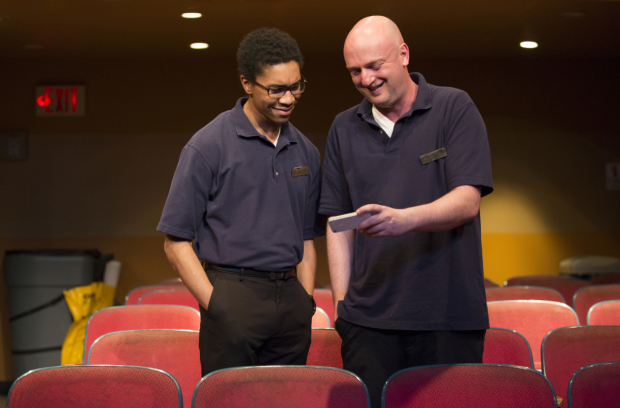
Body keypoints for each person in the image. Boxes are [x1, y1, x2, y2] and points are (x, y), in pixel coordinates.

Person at [319, 16, 493, 408]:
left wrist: (404, 219)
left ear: (403, 54)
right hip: (367, 325)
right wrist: (343, 307)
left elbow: (467, 200)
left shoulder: (453, 107)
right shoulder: (343, 128)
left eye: (375, 65)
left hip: (449, 319)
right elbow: (336, 222)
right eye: (355, 71)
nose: (366, 79)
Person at [157, 27, 324, 376]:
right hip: (232, 294)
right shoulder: (207, 146)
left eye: (296, 86)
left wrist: (304, 300)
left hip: (291, 302)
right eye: (276, 89)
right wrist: (217, 305)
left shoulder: (306, 150)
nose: (289, 98)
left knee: (286, 400)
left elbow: (307, 236)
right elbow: (175, 243)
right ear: (247, 83)